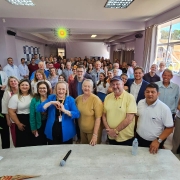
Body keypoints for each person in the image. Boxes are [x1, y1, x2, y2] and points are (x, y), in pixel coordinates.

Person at [136, 83, 174, 154]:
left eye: (153, 92)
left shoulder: (164, 108)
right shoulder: (140, 102)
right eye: (147, 92)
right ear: (144, 93)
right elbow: (138, 117)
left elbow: (170, 128)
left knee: (152, 162)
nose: (150, 94)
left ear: (158, 93)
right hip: (139, 138)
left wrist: (158, 141)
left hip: (154, 142)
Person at [102, 76, 137, 146]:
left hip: (125, 138)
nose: (115, 86)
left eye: (117, 84)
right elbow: (104, 115)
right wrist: (108, 130)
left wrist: (115, 131)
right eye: (113, 84)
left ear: (123, 84)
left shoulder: (130, 97)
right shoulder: (107, 97)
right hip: (111, 136)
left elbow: (129, 119)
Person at [76, 79, 103, 146]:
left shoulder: (96, 100)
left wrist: (95, 135)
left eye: (89, 86)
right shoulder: (78, 98)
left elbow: (98, 118)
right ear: (82, 87)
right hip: (82, 131)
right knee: (84, 151)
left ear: (92, 88)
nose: (86, 88)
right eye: (85, 86)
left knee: (93, 152)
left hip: (93, 132)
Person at [8, 79, 33, 147]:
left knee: (33, 140)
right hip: (22, 120)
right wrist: (18, 123)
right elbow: (11, 112)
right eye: (22, 85)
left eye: (26, 85)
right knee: (23, 141)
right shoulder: (15, 97)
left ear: (29, 86)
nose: (24, 86)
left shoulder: (33, 96)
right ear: (19, 86)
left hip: (32, 119)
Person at [30, 81, 50, 145]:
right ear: (38, 89)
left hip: (50, 124)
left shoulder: (51, 98)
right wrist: (33, 128)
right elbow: (32, 115)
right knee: (41, 143)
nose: (42, 90)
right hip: (39, 124)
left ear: (47, 89)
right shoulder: (35, 99)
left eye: (44, 88)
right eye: (40, 88)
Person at [2, 76, 19, 147]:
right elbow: (5, 107)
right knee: (15, 135)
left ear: (18, 82)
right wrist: (8, 120)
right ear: (9, 83)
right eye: (11, 81)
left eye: (14, 81)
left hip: (23, 115)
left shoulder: (22, 90)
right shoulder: (7, 93)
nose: (13, 82)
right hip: (12, 117)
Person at [0, 68, 9, 148]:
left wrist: (3, 86)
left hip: (2, 91)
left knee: (4, 128)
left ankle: (6, 148)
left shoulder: (3, 73)